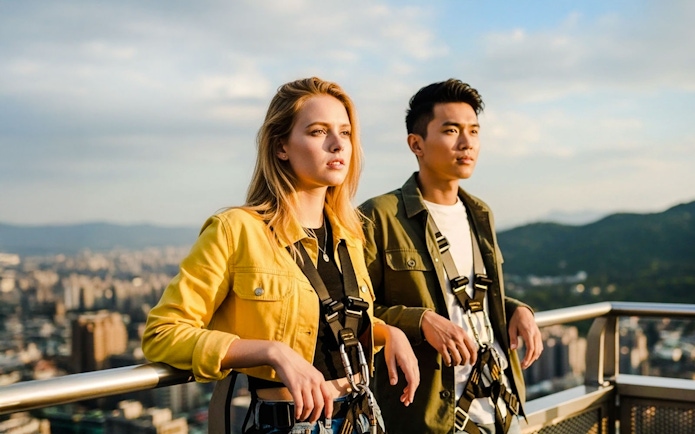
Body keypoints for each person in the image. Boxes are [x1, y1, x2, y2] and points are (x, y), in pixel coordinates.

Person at [142, 77, 419, 434]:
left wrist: (386, 333)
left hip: (360, 418)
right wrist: (271, 352)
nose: (338, 145)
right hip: (288, 425)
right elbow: (162, 334)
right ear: (281, 147)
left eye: (346, 133)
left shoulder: (349, 235)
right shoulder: (236, 230)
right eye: (319, 132)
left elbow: (329, 327)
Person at [359, 79, 543, 434]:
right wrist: (420, 320)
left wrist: (515, 308)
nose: (467, 142)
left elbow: (470, 294)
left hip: (501, 406)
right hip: (430, 416)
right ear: (417, 144)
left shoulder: (479, 213)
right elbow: (355, 310)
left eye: (473, 131)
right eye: (451, 130)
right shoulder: (379, 216)